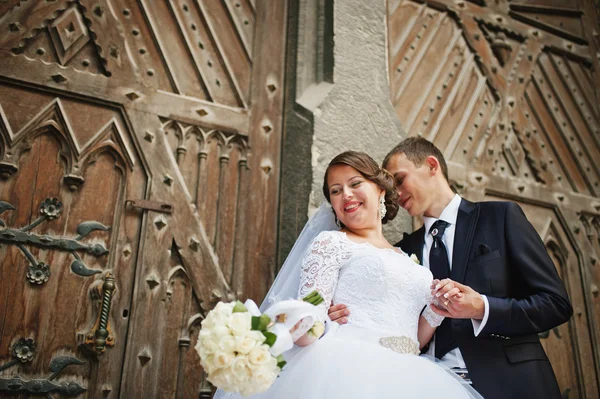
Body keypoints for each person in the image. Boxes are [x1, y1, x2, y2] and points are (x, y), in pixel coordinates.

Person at [215, 150, 481, 399]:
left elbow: (413, 339)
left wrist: (435, 311)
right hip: (347, 370)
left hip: (410, 376)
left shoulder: (407, 257)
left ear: (379, 189)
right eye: (336, 190)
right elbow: (311, 318)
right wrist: (274, 335)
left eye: (355, 184)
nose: (347, 195)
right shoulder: (331, 243)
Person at [329, 137, 573, 399]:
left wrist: (482, 307)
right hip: (425, 386)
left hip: (511, 384)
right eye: (390, 186)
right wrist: (343, 318)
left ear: (431, 166)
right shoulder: (398, 253)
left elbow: (555, 303)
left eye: (399, 180)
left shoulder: (500, 217)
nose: (395, 194)